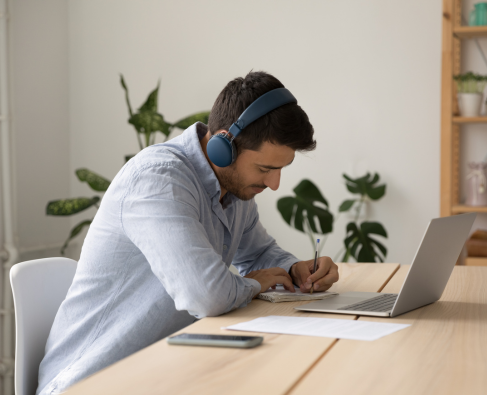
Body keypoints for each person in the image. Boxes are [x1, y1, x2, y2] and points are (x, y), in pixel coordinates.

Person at [36, 71, 339, 394]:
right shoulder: (157, 180)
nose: (274, 184)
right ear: (225, 146)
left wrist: (295, 269)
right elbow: (205, 295)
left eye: (280, 169)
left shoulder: (235, 188)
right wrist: (255, 283)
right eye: (265, 169)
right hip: (93, 381)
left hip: (163, 372)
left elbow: (260, 253)